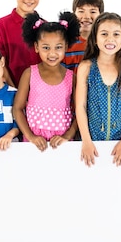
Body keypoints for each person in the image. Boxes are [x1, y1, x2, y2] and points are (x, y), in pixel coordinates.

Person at [75, 12, 121, 167]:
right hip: (92, 142)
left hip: (119, 144)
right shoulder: (86, 67)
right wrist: (86, 141)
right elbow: (80, 106)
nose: (110, 39)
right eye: (104, 34)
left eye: (116, 34)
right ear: (95, 38)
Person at [13, 11, 81, 151]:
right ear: (37, 47)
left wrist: (67, 136)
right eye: (46, 48)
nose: (52, 53)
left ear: (66, 47)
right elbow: (17, 109)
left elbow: (81, 110)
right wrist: (31, 137)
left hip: (62, 144)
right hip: (34, 143)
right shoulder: (29, 74)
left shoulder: (71, 77)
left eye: (58, 47)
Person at [0, 0, 44, 87]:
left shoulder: (46, 27)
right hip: (11, 92)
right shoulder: (1, 25)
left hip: (41, 95)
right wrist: (14, 91)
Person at [63, 0, 105, 72]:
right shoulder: (66, 42)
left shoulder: (104, 42)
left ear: (101, 15)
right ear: (74, 14)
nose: (86, 16)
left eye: (93, 11)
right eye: (81, 11)